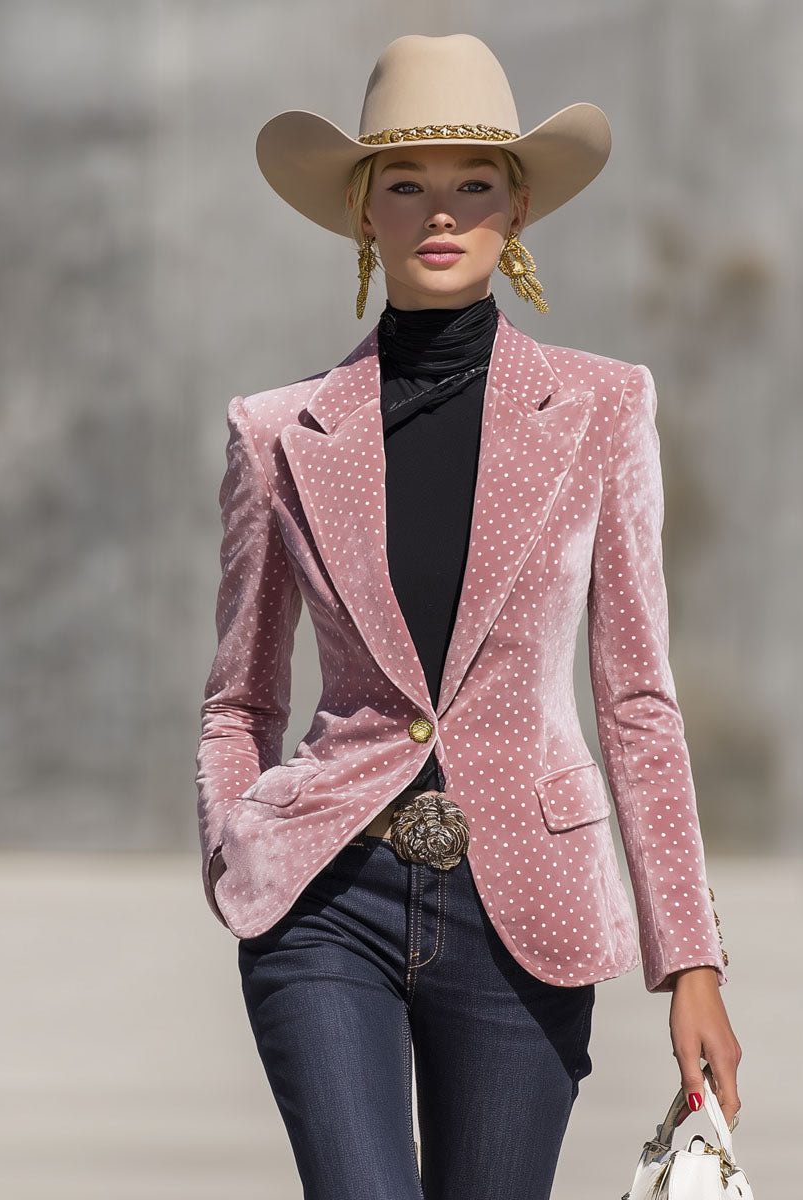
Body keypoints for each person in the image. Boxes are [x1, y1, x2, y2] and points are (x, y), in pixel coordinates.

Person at [195, 32, 742, 1200]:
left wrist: (690, 960)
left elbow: (637, 701)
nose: (440, 213)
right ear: (362, 210)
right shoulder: (276, 434)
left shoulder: (603, 408)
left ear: (518, 206)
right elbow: (239, 697)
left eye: (473, 184)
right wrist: (236, 846)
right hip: (326, 899)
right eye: (405, 184)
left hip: (526, 907)